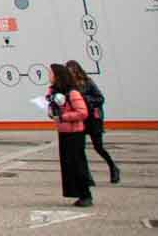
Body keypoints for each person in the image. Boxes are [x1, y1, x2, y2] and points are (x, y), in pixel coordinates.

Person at [66, 61, 120, 185]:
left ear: (77, 70)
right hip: (80, 119)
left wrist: (85, 100)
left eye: (72, 71)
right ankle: (87, 177)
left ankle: (113, 167)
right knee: (80, 149)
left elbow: (100, 98)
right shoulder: (69, 86)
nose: (71, 74)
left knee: (98, 147)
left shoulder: (87, 82)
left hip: (93, 119)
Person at [49, 61, 94, 207]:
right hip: (64, 132)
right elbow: (57, 110)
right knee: (69, 165)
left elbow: (83, 112)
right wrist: (52, 111)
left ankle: (86, 194)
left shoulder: (72, 93)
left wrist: (63, 117)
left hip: (75, 134)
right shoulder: (56, 93)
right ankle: (78, 193)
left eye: (51, 73)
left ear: (58, 76)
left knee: (77, 164)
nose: (49, 76)